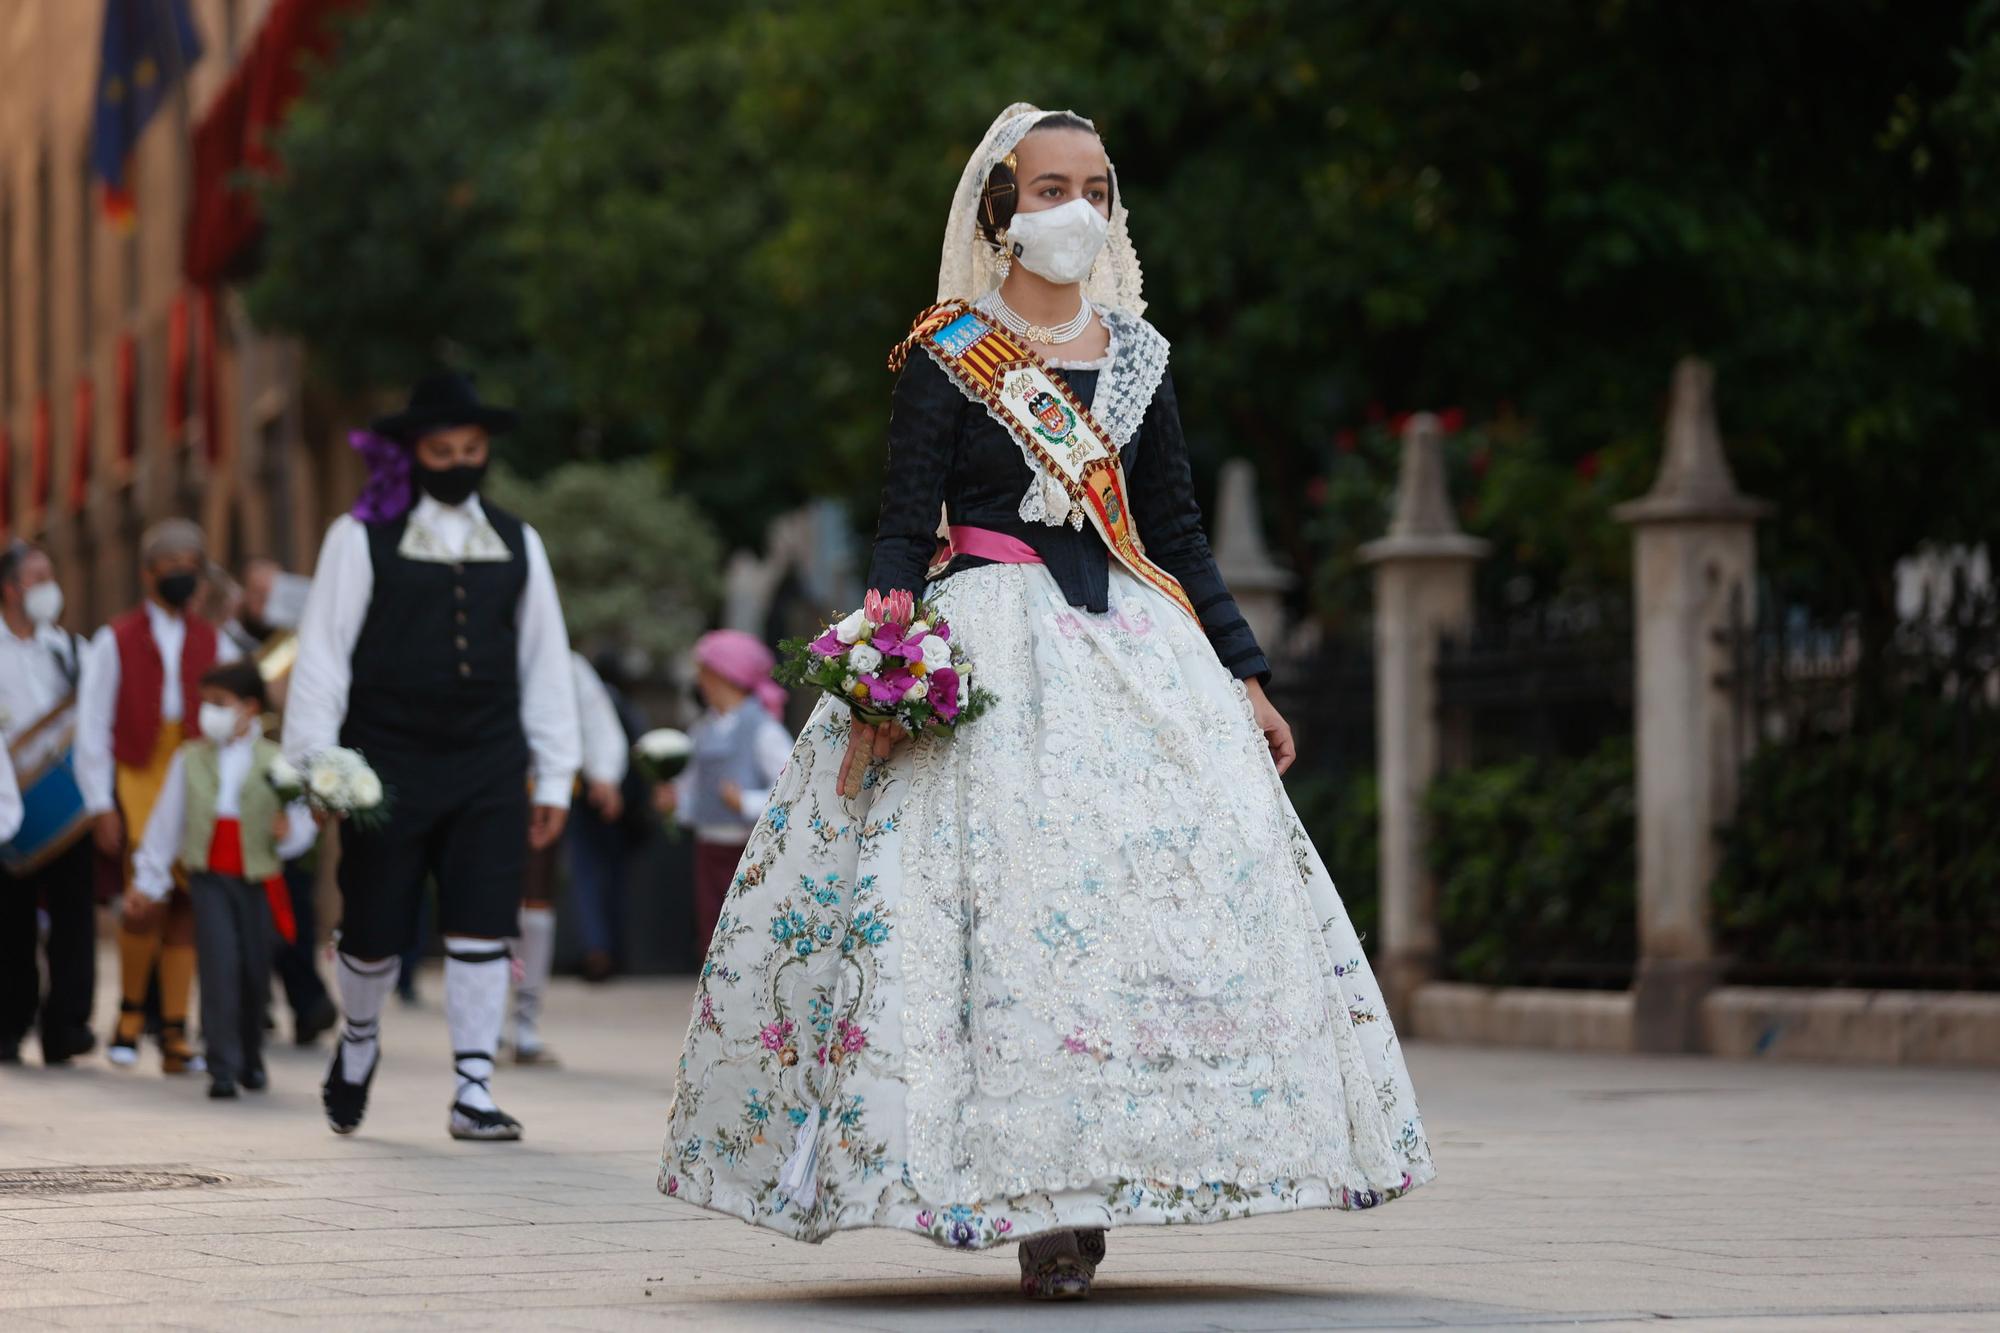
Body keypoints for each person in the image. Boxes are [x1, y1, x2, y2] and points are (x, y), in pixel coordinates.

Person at [655, 106, 1434, 1299]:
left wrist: (1244, 673)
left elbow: (1171, 532)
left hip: (1136, 654)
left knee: (1148, 906)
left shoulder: (1137, 359)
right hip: (985, 651)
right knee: (1004, 921)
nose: (1071, 208)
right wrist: (883, 659)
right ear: (998, 210)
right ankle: (1034, 1199)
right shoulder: (947, 349)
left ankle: (1116, 1166)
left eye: (1093, 188)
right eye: (1046, 187)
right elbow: (900, 521)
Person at [285, 372, 579, 1142]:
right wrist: (316, 763)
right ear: (413, 454)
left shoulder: (520, 540)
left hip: (489, 759)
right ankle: (358, 1040)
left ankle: (473, 1087)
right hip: (386, 763)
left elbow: (546, 663)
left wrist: (554, 772)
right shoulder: (358, 537)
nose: (459, 461)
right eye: (443, 449)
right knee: (374, 924)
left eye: (472, 449)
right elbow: (322, 656)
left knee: (485, 919)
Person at [75, 518, 241, 1072]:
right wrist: (100, 802)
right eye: (172, 568)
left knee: (189, 898)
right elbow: (93, 724)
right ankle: (127, 1016)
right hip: (140, 771)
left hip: (194, 768)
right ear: (149, 574)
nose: (183, 578)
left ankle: (174, 1029)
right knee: (144, 893)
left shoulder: (212, 637)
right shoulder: (114, 638)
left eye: (191, 569)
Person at [126, 662, 316, 1099]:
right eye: (205, 703)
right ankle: (222, 1065)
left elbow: (301, 824)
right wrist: (148, 880)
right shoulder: (189, 758)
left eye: (219, 704)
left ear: (249, 708)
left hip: (258, 877)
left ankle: (251, 1055)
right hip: (209, 876)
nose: (209, 713)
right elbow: (165, 824)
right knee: (218, 966)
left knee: (253, 970)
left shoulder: (278, 761)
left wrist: (291, 833)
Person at [219, 556, 337, 1048]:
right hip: (238, 783)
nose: (264, 604)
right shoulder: (230, 644)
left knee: (292, 897)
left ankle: (305, 1001)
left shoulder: (300, 647)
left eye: (274, 593)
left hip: (285, 784)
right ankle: (267, 1003)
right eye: (257, 593)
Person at [506, 649, 629, 1064]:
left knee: (534, 908)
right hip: (476, 793)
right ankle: (484, 1028)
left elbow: (594, 717)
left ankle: (522, 1023)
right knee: (479, 913)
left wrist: (604, 773)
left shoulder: (561, 660)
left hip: (540, 795)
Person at [0, 541, 96, 1066]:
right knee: (9, 924)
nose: (49, 586)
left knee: (74, 918)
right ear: (12, 588)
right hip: (8, 806)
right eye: (38, 576)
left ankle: (67, 1026)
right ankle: (9, 1023)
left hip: (67, 808)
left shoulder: (71, 649)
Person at [652, 630, 790, 951]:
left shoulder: (763, 729)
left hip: (748, 850)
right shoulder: (702, 730)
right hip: (709, 846)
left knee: (746, 930)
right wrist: (676, 803)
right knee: (711, 929)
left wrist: (745, 801)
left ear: (723, 676)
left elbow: (788, 789)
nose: (700, 682)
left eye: (704, 673)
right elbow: (693, 788)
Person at [568, 650, 649, 982]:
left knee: (588, 874)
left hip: (588, 797)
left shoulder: (586, 696)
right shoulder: (628, 709)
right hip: (620, 805)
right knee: (614, 879)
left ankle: (597, 949)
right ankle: (611, 949)